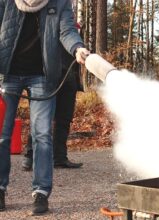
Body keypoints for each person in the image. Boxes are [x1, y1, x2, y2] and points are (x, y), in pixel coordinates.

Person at [0, 0, 89, 215]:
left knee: (42, 134)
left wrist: (78, 48)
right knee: (2, 134)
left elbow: (67, 30)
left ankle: (40, 192)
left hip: (42, 75)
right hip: (7, 74)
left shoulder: (60, 2)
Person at [22, 46, 83, 171]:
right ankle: (30, 156)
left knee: (64, 118)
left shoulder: (74, 27)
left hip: (69, 74)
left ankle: (59, 157)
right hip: (45, 75)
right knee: (41, 117)